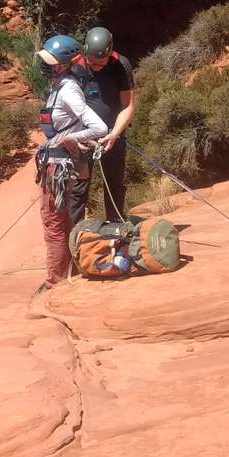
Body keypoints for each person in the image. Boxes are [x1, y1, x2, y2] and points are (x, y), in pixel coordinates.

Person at [34, 34, 109, 291]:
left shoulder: (68, 90)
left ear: (65, 64)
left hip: (59, 167)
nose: (45, 65)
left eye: (51, 61)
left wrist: (70, 138)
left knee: (53, 224)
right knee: (62, 220)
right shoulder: (57, 86)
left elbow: (99, 127)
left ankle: (55, 282)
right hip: (56, 164)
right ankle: (70, 271)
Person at [75, 27, 136, 224]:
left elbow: (128, 106)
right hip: (83, 135)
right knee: (78, 186)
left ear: (110, 54)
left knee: (114, 182)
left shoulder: (120, 65)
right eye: (91, 62)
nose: (95, 67)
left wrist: (115, 134)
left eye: (100, 63)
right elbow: (66, 105)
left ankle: (116, 226)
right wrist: (76, 135)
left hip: (112, 133)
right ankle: (73, 233)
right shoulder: (76, 66)